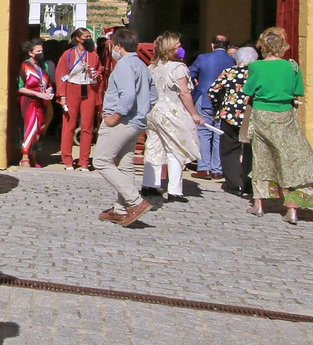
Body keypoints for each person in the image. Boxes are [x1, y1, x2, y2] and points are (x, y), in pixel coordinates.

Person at [243, 27, 313, 224]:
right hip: (285, 113)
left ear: (263, 45)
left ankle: (259, 204)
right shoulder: (292, 67)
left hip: (262, 113)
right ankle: (292, 208)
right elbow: (298, 90)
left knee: (261, 157)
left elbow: (249, 90)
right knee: (291, 158)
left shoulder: (256, 66)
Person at [91, 27, 155, 226]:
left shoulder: (125, 65)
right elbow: (153, 96)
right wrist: (141, 110)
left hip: (121, 121)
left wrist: (114, 116)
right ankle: (120, 208)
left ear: (118, 46)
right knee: (125, 165)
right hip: (136, 122)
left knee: (101, 160)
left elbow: (126, 95)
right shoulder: (142, 65)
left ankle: (135, 201)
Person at [143, 32, 204, 202]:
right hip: (171, 110)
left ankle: (150, 183)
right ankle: (175, 190)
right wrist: (194, 113)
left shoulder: (152, 67)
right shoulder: (178, 68)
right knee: (175, 147)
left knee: (154, 145)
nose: (180, 48)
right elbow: (184, 93)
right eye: (177, 45)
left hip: (154, 110)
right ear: (170, 48)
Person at [207, 46, 258, 196]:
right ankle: (247, 183)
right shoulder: (257, 73)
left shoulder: (230, 72)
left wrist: (219, 106)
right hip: (251, 116)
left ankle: (235, 184)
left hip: (230, 115)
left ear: (237, 59)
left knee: (229, 150)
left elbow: (213, 91)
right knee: (250, 150)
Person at [53, 28, 102, 170]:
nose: (89, 39)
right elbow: (60, 74)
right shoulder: (67, 54)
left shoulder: (93, 55)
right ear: (78, 38)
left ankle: (84, 161)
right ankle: (67, 159)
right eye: (86, 36)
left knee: (87, 126)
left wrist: (97, 73)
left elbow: (100, 71)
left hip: (89, 89)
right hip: (72, 88)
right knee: (69, 124)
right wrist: (62, 95)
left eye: (89, 36)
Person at [189, 35, 233, 181]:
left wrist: (197, 84)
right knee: (218, 134)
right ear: (227, 46)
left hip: (205, 98)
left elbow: (190, 73)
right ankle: (217, 169)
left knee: (204, 132)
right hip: (224, 101)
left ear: (212, 45)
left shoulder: (203, 57)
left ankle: (204, 167)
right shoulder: (231, 60)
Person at [16, 38, 54, 167]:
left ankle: (34, 156)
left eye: (42, 50)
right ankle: (25, 156)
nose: (41, 52)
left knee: (39, 128)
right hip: (28, 100)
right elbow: (20, 87)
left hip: (42, 100)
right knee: (31, 126)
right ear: (30, 53)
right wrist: (37, 93)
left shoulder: (45, 66)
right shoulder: (25, 66)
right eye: (38, 51)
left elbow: (48, 83)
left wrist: (49, 90)